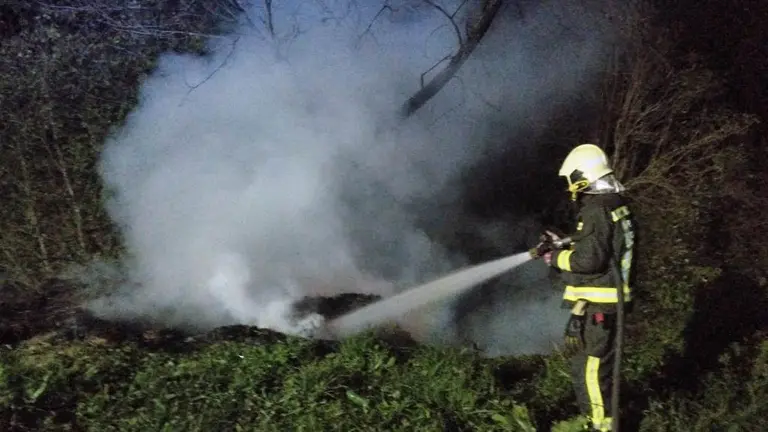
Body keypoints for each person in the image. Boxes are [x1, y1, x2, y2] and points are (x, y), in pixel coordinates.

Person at [539, 143, 636, 432]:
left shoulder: (595, 208)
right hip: (607, 303)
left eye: (571, 179)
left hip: (601, 306)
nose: (570, 186)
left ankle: (600, 427)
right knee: (592, 367)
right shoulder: (616, 204)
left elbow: (590, 259)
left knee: (591, 371)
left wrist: (555, 257)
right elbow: (604, 244)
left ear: (583, 175)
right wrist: (566, 242)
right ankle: (601, 421)